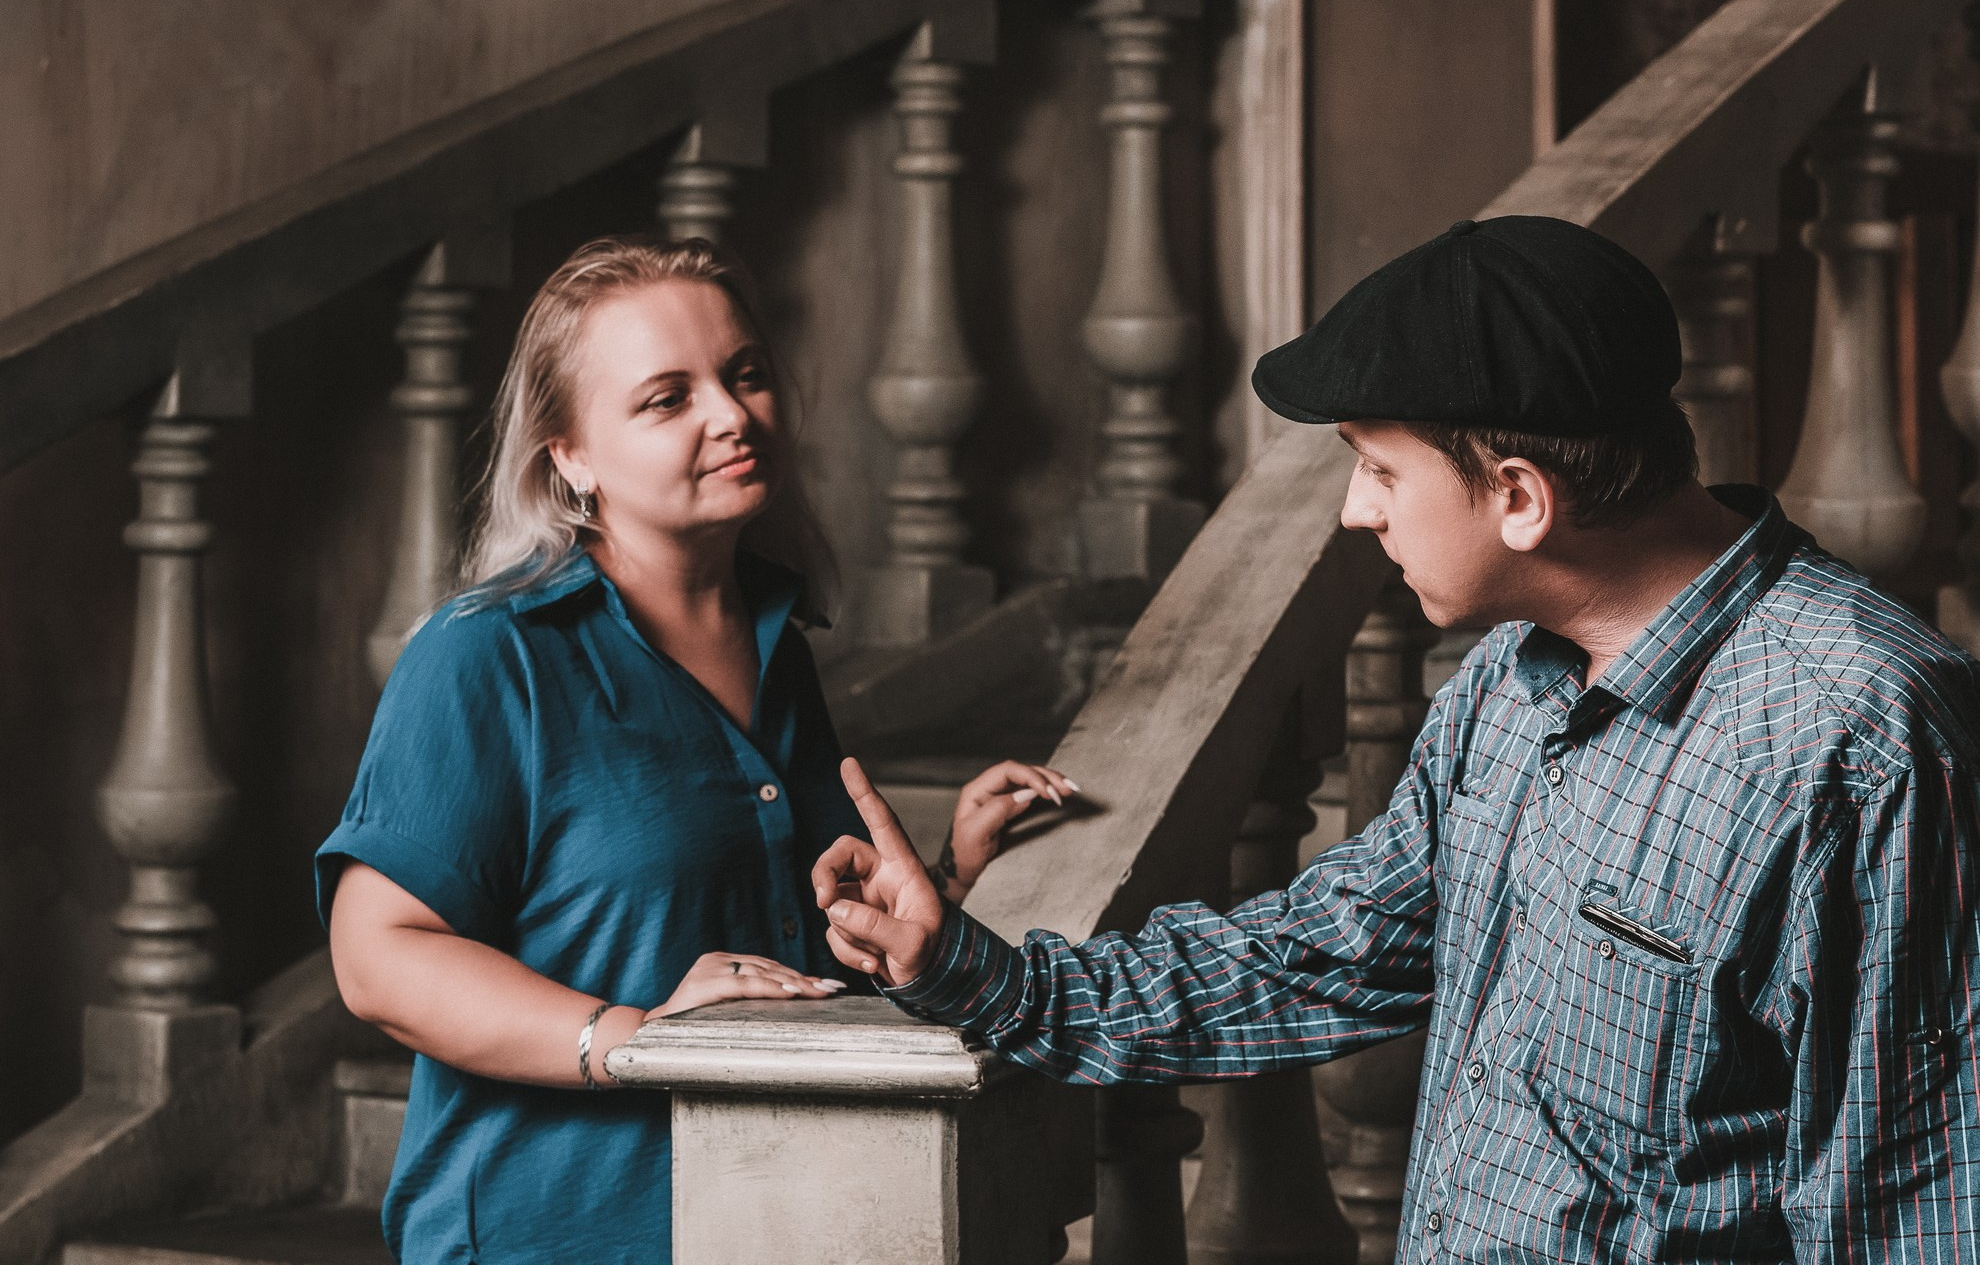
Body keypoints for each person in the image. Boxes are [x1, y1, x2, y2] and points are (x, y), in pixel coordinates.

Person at [815, 215, 1980, 1261]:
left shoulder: (1865, 739)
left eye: (1379, 469)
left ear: (1520, 496)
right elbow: (1321, 952)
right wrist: (972, 973)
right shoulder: (1505, 687)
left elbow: (1910, 1207)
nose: (1353, 510)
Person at [316, 235, 1073, 1264]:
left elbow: (789, 959)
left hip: (763, 1222)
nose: (731, 414)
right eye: (667, 398)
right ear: (569, 456)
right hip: (551, 1235)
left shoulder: (778, 646)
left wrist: (949, 874)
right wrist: (627, 1037)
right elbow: (379, 961)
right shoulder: (488, 657)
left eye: (745, 374)